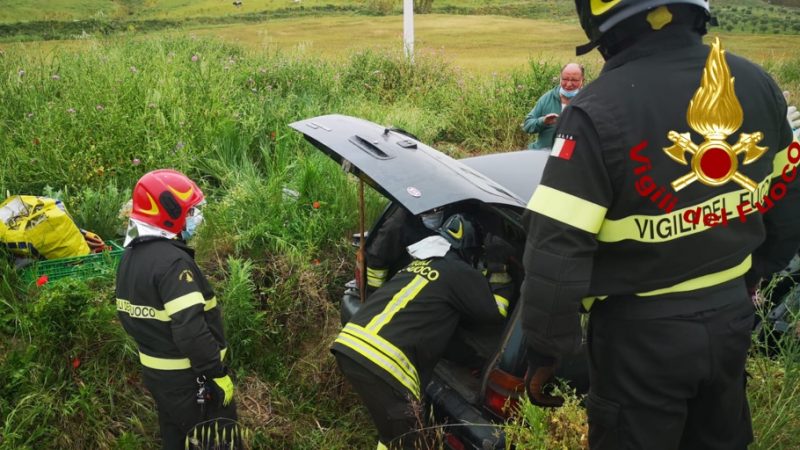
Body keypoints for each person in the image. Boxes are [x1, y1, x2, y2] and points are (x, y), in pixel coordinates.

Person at [520, 1, 800, 449]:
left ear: (602, 24)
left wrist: (547, 350)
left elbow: (555, 251)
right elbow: (788, 205)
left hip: (639, 337)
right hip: (731, 318)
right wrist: (748, 279)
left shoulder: (594, 110)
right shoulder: (757, 82)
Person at [331, 214, 510, 449]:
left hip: (350, 344)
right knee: (410, 443)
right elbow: (497, 312)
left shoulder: (418, 261)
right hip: (386, 364)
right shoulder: (461, 271)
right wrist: (499, 271)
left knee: (394, 435)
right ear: (470, 250)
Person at [115, 169, 239, 450]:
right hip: (192, 379)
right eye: (191, 210)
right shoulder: (172, 263)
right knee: (217, 441)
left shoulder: (130, 258)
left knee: (177, 440)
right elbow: (191, 331)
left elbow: (129, 316)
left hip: (160, 379)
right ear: (169, 212)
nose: (196, 217)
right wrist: (216, 375)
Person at [522, 62, 585, 150]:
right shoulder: (547, 98)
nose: (569, 84)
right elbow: (527, 125)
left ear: (583, 80)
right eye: (565, 79)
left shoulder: (587, 101)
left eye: (574, 80)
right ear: (560, 78)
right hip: (543, 153)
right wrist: (543, 121)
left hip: (573, 156)